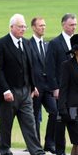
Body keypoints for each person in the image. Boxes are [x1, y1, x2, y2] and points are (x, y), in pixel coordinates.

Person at [0, 14, 54, 155]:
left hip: (26, 91)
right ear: (11, 27)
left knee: (30, 123)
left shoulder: (26, 43)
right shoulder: (1, 44)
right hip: (9, 92)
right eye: (20, 26)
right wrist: (5, 90)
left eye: (24, 26)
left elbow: (30, 66)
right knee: (6, 125)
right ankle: (5, 154)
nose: (23, 29)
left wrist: (33, 87)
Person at [45, 13, 78, 155]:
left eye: (75, 25)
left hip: (75, 90)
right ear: (63, 25)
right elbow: (50, 67)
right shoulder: (55, 43)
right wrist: (55, 88)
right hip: (61, 89)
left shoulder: (77, 42)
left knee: (74, 118)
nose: (74, 27)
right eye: (71, 25)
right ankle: (60, 151)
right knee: (60, 120)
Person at [29, 17, 51, 146]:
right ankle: (36, 145)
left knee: (54, 112)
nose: (43, 27)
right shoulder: (28, 44)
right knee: (35, 117)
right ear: (33, 27)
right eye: (40, 25)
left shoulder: (47, 45)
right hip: (35, 87)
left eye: (44, 25)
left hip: (47, 86)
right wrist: (31, 86)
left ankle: (49, 142)